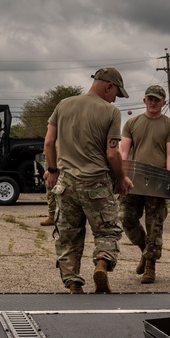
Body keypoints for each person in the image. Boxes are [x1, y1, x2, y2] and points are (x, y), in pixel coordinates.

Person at [43, 67, 133, 294]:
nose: (115, 99)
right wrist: (121, 179)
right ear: (108, 86)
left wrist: (53, 171)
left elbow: (48, 143)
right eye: (116, 93)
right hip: (96, 184)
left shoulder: (63, 104)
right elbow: (113, 153)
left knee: (69, 236)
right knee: (107, 231)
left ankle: (73, 283)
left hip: (66, 185)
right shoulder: (110, 112)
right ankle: (101, 264)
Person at [119, 84, 170, 284]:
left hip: (157, 181)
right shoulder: (132, 123)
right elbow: (123, 152)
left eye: (157, 99)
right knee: (126, 218)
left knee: (154, 225)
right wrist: (120, 176)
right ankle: (145, 252)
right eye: (150, 99)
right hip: (133, 180)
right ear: (145, 100)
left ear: (164, 103)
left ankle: (150, 266)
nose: (153, 102)